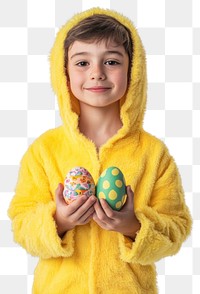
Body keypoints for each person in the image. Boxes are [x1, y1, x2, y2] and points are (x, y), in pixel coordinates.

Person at [8, 7, 192, 294]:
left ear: (134, 71)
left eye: (111, 61)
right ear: (63, 73)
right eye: (82, 62)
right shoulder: (44, 150)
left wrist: (133, 226)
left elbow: (177, 228)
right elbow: (21, 225)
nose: (97, 73)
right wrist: (58, 221)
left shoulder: (154, 153)